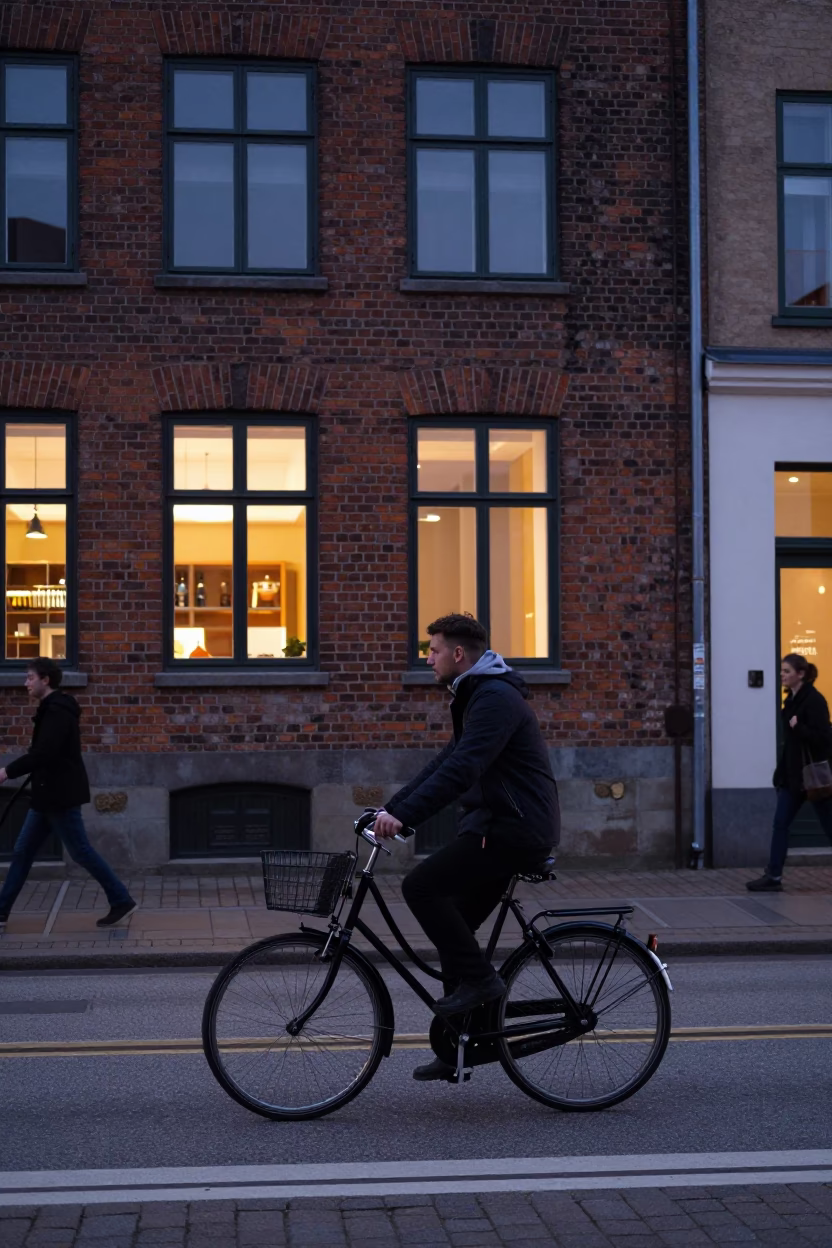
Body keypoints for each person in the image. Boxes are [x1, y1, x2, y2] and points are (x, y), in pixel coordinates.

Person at [373, 613, 560, 1081]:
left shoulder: (494, 698)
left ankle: (482, 984)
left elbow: (463, 770)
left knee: (420, 887)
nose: (428, 659)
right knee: (454, 926)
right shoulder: (477, 694)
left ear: (458, 654)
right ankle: (462, 1044)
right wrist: (391, 808)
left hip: (512, 830)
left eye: (433, 650)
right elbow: (446, 761)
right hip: (495, 826)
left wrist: (406, 818)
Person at [0, 658, 137, 932]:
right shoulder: (52, 709)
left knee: (81, 851)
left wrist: (6, 772)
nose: (26, 683)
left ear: (45, 680)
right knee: (23, 851)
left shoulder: (57, 712)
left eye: (30, 678)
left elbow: (43, 753)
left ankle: (121, 900)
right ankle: (1, 911)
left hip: (59, 796)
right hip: (47, 795)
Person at [747, 653, 832, 892]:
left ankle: (773, 875)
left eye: (787, 671)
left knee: (829, 826)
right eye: (782, 671)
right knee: (780, 823)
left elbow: (824, 738)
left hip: (813, 778)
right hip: (793, 779)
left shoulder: (814, 700)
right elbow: (791, 745)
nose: (782, 675)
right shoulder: (791, 700)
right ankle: (773, 876)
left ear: (801, 674)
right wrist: (781, 774)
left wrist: (800, 728)